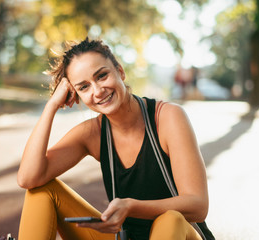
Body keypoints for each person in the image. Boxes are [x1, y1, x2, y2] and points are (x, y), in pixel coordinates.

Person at [17, 38, 215, 240]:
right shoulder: (92, 133)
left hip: (182, 234)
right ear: (75, 94)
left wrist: (130, 207)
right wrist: (51, 106)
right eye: (84, 87)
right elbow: (28, 178)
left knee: (169, 219)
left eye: (102, 76)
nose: (98, 91)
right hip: (126, 237)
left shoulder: (167, 117)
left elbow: (198, 206)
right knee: (41, 191)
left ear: (120, 71)